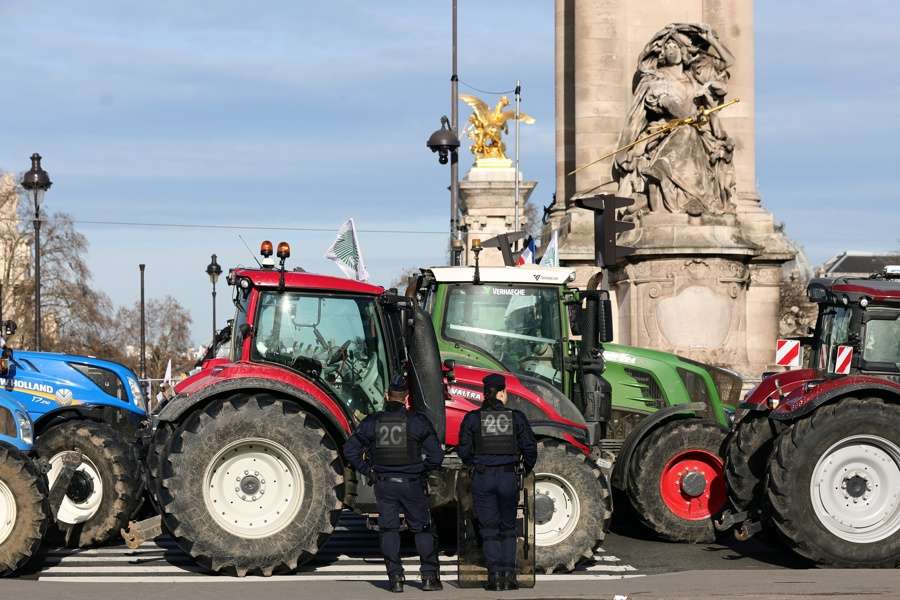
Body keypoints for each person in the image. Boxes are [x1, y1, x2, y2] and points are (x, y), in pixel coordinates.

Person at [343, 374, 444, 593]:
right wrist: (421, 471)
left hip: (384, 484)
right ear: (406, 398)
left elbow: (350, 450)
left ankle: (395, 579)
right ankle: (428, 578)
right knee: (423, 529)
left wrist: (368, 471)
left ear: (387, 396)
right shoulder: (417, 421)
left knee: (389, 530)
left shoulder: (372, 422)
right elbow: (437, 457)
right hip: (412, 483)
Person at [458, 373, 538, 591]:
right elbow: (530, 449)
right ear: (503, 393)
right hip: (508, 477)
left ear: (484, 394)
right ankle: (509, 577)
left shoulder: (473, 418)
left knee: (489, 528)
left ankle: (494, 577)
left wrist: (475, 465)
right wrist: (523, 470)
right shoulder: (517, 418)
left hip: (483, 478)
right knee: (508, 528)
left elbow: (463, 451)